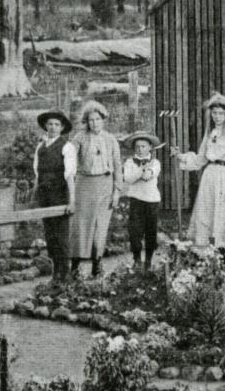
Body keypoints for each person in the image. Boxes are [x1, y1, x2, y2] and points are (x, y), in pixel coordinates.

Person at [179, 92, 225, 256]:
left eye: (220, 113)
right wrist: (181, 156)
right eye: (214, 113)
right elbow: (201, 159)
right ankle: (208, 256)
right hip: (210, 177)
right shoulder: (210, 133)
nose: (217, 117)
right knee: (206, 214)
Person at [70, 100, 121, 277]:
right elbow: (70, 158)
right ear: (86, 121)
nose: (94, 123)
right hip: (84, 185)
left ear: (103, 119)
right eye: (91, 120)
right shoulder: (80, 137)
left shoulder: (110, 139)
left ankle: (96, 265)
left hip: (105, 185)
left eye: (97, 119)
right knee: (81, 225)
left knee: (100, 226)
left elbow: (117, 166)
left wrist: (117, 191)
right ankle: (75, 266)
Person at [32, 110, 76, 284]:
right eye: (50, 124)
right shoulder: (40, 146)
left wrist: (71, 201)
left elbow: (70, 175)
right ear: (45, 126)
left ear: (62, 127)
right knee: (50, 234)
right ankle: (55, 274)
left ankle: (64, 274)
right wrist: (34, 196)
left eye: (56, 124)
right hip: (45, 195)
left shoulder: (67, 147)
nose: (52, 127)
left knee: (60, 235)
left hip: (60, 194)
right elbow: (37, 174)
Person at [120, 131, 163, 271]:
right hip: (136, 200)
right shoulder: (128, 162)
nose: (140, 149)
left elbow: (148, 176)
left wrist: (144, 171)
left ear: (150, 147)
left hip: (152, 201)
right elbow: (128, 178)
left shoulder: (155, 162)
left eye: (143, 146)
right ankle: (137, 259)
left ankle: (149, 261)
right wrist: (140, 170)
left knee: (151, 231)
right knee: (135, 231)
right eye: (137, 146)